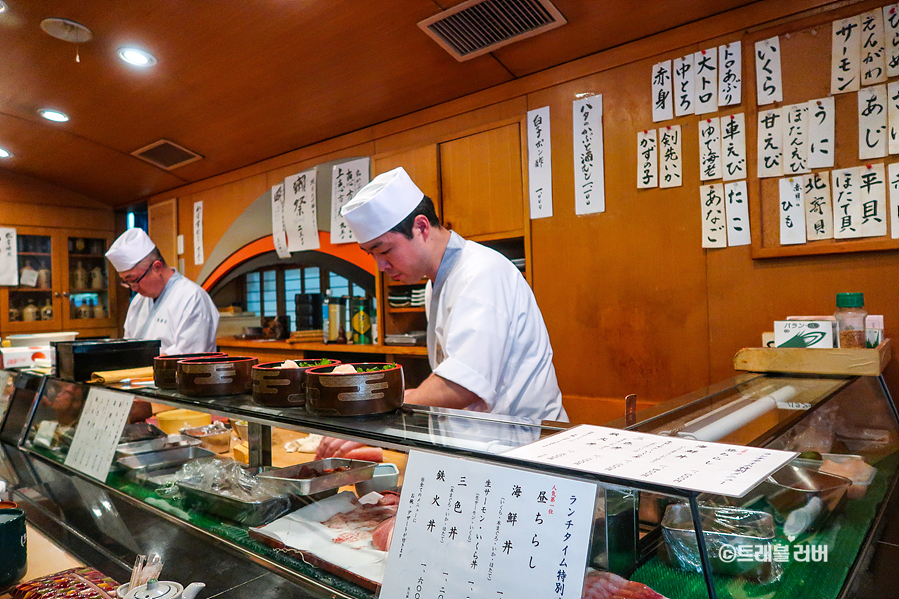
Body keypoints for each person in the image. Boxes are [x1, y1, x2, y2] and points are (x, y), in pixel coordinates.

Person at [340, 167, 568, 422]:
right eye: (371, 255)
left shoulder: (482, 272)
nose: (380, 266)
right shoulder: (434, 284)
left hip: (526, 444)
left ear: (421, 227)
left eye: (384, 251)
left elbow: (462, 386)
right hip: (484, 440)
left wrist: (380, 410)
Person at [105, 228, 219, 355]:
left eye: (134, 280)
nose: (134, 288)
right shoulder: (138, 301)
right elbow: (129, 346)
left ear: (157, 267)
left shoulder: (192, 297)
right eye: (127, 283)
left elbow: (188, 355)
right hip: (141, 373)